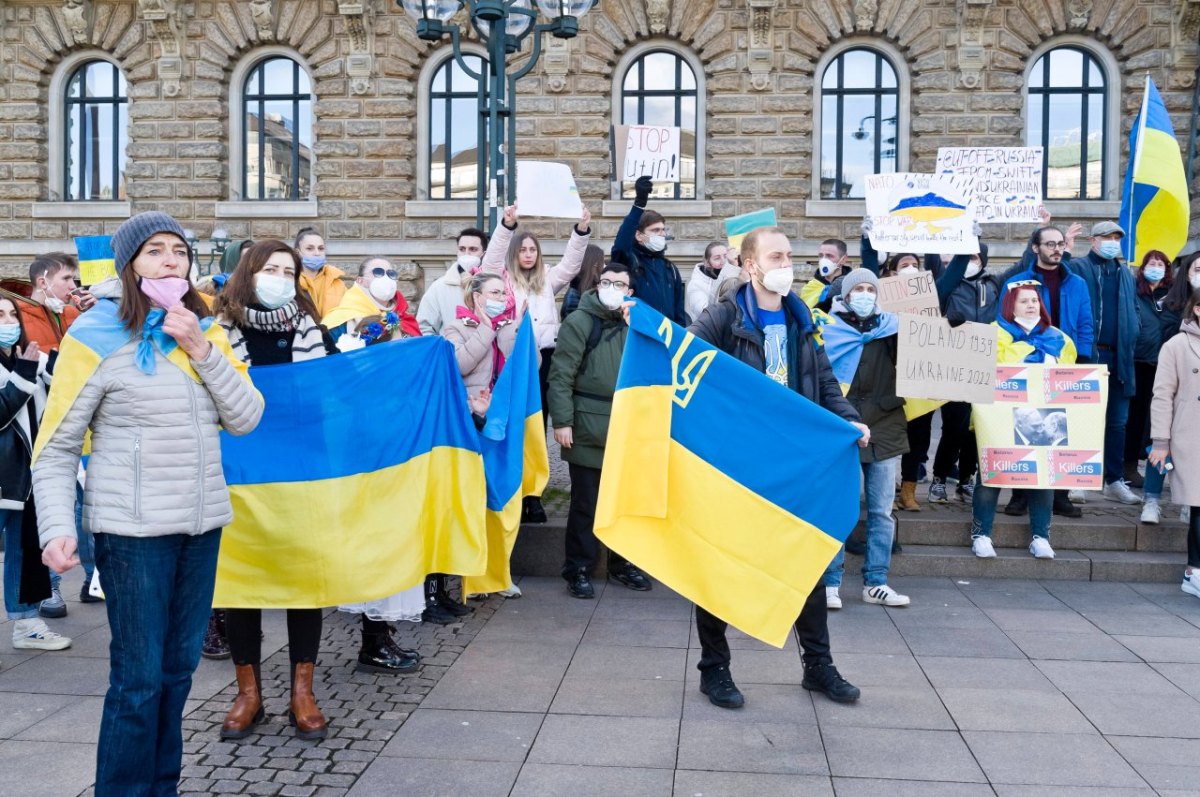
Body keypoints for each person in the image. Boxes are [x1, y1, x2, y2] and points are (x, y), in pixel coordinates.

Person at [34, 211, 264, 796]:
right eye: (155, 251)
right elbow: (56, 447)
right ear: (130, 265)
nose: (171, 262)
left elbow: (246, 418)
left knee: (177, 674)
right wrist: (56, 528)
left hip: (200, 526)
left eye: (179, 252)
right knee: (137, 682)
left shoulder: (203, 331)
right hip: (132, 535)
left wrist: (200, 347)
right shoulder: (96, 335)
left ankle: (162, 788)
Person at [213, 240, 418, 742]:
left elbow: (338, 390)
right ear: (249, 273)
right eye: (270, 269)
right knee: (245, 583)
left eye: (288, 270)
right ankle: (248, 693)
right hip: (242, 472)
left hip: (304, 469)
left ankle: (302, 691)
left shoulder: (310, 330)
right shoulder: (219, 334)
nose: (280, 277)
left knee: (306, 578)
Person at [688, 226, 870, 709]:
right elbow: (683, 361)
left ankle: (818, 666)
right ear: (751, 266)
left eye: (790, 254)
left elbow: (826, 383)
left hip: (794, 466)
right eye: (777, 255)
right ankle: (715, 669)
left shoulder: (803, 318)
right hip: (738, 465)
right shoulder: (722, 317)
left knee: (805, 564)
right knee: (722, 567)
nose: (787, 262)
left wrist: (850, 420)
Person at [548, 261, 651, 598]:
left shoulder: (637, 323)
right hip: (587, 425)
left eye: (619, 284)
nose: (611, 288)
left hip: (626, 428)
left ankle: (623, 563)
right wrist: (562, 421)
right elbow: (561, 374)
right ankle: (578, 568)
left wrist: (635, 327)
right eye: (606, 281)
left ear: (630, 292)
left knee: (625, 501)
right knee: (585, 503)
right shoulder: (579, 321)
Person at [483, 203, 591, 524]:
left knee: (537, 427)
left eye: (533, 249)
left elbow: (571, 265)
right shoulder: (502, 281)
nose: (528, 254)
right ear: (515, 252)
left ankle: (533, 495)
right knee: (514, 425)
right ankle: (512, 488)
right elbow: (489, 260)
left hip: (545, 362)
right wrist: (507, 226)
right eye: (523, 249)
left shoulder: (547, 281)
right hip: (513, 364)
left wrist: (581, 230)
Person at [857, 223, 972, 512]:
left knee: (918, 436)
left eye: (915, 264)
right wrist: (867, 237)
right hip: (885, 375)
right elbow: (870, 265)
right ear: (892, 272)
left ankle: (908, 490)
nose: (910, 268)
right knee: (884, 433)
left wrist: (971, 237)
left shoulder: (933, 293)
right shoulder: (880, 292)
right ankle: (884, 489)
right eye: (903, 264)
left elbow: (957, 271)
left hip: (920, 376)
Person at [819, 269, 912, 609]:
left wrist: (950, 328)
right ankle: (831, 582)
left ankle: (877, 582)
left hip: (884, 425)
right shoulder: (827, 331)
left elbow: (924, 352)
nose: (864, 295)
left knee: (881, 511)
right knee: (837, 508)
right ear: (844, 294)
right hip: (841, 425)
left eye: (869, 289)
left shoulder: (893, 330)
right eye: (857, 288)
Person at [431, 272, 520, 617]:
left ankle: (493, 573)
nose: (501, 296)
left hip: (500, 421)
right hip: (467, 423)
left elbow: (530, 367)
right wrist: (486, 329)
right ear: (476, 296)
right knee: (464, 501)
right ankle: (457, 579)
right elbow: (457, 365)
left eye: (504, 291)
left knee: (498, 498)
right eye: (494, 292)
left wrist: (514, 331)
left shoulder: (509, 327)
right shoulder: (456, 327)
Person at [970, 282, 1078, 560]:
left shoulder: (1059, 338)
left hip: (1041, 416)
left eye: (1035, 301)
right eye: (1024, 301)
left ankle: (1041, 536)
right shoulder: (995, 334)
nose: (1031, 305)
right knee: (991, 476)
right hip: (1001, 415)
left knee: (1043, 478)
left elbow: (1069, 376)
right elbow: (987, 372)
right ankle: (981, 534)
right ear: (1010, 306)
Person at [17, 253, 100, 614]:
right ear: (43, 281)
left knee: (84, 503)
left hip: (80, 423)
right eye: (68, 279)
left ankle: (93, 578)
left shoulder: (73, 314)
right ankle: (50, 587)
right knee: (48, 505)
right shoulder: (21, 316)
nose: (73, 286)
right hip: (40, 425)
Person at [1002, 225, 1094, 518]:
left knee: (1061, 430)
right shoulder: (1018, 282)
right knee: (1024, 426)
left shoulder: (1077, 283)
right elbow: (1004, 320)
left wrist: (1081, 362)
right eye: (1051, 244)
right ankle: (1019, 495)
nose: (1057, 248)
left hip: (1064, 364)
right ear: (1035, 248)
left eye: (1061, 244)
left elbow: (1085, 323)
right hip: (1026, 362)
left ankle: (1060, 496)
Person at [0, 296, 72, 655]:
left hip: (26, 476)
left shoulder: (27, 356)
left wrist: (60, 353)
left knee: (26, 550)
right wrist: (24, 377)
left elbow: (62, 385)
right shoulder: (23, 365)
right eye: (0, 315)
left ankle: (27, 622)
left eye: (12, 314)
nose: (9, 321)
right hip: (4, 475)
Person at [1065, 221, 1142, 505]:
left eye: (1116, 238)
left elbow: (1134, 308)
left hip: (1120, 357)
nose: (1112, 242)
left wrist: (1135, 327)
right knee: (1083, 418)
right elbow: (1059, 279)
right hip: (1089, 355)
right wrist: (1066, 250)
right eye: (1107, 237)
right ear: (1093, 240)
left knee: (1117, 423)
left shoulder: (1125, 273)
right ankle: (1078, 479)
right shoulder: (1079, 267)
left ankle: (1114, 480)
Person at [929, 245, 998, 504]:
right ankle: (939, 478)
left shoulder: (993, 285)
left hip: (985, 363)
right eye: (966, 257)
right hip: (955, 364)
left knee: (976, 428)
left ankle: (967, 478)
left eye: (974, 257)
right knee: (954, 426)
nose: (970, 261)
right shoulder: (949, 285)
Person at [1147, 286, 1200, 600]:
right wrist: (1160, 441)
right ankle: (1193, 571)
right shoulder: (1177, 346)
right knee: (1199, 505)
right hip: (1189, 433)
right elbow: (1162, 395)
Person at [1126, 250, 1176, 493]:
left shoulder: (1174, 295)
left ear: (1167, 269)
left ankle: (1160, 469)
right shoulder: (1135, 291)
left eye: (1160, 263)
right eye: (1151, 263)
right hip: (1138, 362)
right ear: (1143, 267)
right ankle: (1129, 467)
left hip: (1165, 365)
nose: (1155, 266)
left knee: (1158, 420)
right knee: (1134, 418)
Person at [611, 176, 688, 325]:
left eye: (663, 230)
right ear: (639, 235)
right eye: (656, 230)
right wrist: (639, 205)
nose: (662, 234)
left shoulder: (670, 269)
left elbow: (678, 313)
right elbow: (620, 245)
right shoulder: (628, 261)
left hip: (665, 340)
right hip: (638, 335)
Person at [322, 256, 420, 347]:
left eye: (391, 274)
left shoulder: (404, 317)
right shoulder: (341, 320)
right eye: (378, 272)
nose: (386, 278)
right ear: (361, 281)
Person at [416, 228, 488, 336]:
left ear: (483, 253)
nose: (466, 253)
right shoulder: (439, 287)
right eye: (462, 249)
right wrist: (441, 350)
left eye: (473, 249)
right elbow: (424, 327)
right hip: (450, 351)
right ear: (457, 251)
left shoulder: (494, 285)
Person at [19, 252, 95, 350]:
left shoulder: (72, 313)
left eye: (73, 279)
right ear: (43, 283)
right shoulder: (16, 317)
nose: (73, 286)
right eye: (66, 278)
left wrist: (94, 313)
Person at [295, 227, 347, 319]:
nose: (317, 253)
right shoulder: (290, 282)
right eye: (310, 248)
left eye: (321, 248)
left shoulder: (338, 284)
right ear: (298, 252)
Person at [685, 241, 741, 320]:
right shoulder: (696, 284)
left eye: (725, 256)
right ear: (707, 263)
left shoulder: (732, 272)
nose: (723, 261)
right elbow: (706, 312)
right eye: (717, 258)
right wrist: (730, 268)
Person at [800, 238, 851, 311]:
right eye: (821, 256)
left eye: (829, 256)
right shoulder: (809, 287)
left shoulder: (852, 286)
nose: (823, 260)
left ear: (843, 259)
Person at [561, 244, 606, 320]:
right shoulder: (574, 294)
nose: (604, 266)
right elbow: (572, 324)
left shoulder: (595, 288)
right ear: (595, 264)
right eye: (602, 262)